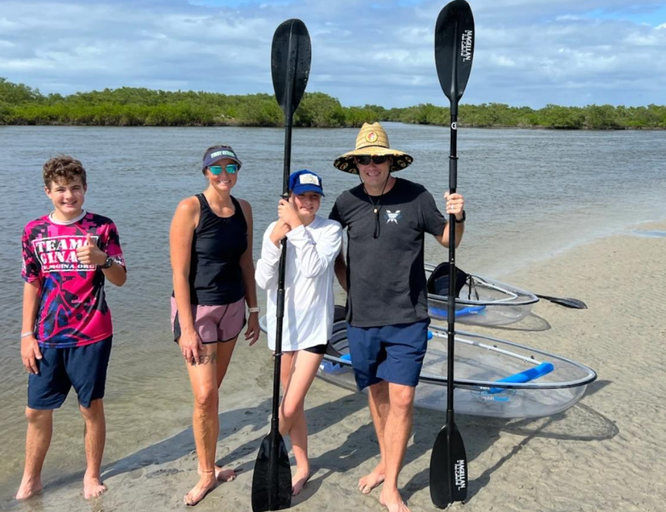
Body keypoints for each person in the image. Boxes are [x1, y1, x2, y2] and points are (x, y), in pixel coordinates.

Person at [329, 122, 465, 512]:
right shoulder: (345, 202)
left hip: (408, 315)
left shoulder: (417, 197)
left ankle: (391, 486)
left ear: (391, 162)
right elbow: (326, 248)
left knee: (402, 399)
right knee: (377, 397)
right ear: (355, 164)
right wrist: (348, 286)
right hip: (361, 319)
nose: (372, 166)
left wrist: (459, 215)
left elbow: (449, 239)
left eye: (379, 159)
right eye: (364, 160)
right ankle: (386, 464)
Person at [17, 155, 127, 501]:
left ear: (85, 189)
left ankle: (91, 475)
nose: (69, 196)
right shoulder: (33, 231)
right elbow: (32, 282)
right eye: (61, 189)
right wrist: (26, 335)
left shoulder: (101, 227)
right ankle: (31, 479)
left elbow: (121, 278)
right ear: (47, 191)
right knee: (35, 411)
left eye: (75, 188)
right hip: (47, 336)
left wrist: (103, 260)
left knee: (89, 407)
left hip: (92, 332)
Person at [169, 144, 261, 506]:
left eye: (231, 166)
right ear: (205, 171)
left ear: (238, 169)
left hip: (233, 309)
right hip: (198, 311)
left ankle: (210, 459)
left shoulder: (244, 209)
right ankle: (207, 473)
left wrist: (253, 310)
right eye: (216, 168)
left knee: (212, 393)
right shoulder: (190, 207)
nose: (224, 175)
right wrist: (187, 327)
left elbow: (246, 262)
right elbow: (178, 271)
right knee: (205, 395)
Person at [255, 170, 342, 496]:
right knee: (296, 402)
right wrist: (276, 242)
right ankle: (303, 465)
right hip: (282, 329)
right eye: (302, 196)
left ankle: (271, 450)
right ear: (289, 197)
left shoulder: (330, 230)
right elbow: (263, 279)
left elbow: (314, 269)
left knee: (288, 407)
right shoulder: (273, 229)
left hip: (314, 331)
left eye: (314, 196)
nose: (309, 202)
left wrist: (297, 229)